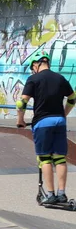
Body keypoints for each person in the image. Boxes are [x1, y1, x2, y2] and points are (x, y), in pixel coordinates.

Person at [17, 51, 76, 204]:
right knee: (59, 157)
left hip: (42, 122)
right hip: (59, 121)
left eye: (32, 67)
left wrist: (20, 120)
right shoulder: (60, 78)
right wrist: (63, 114)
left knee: (45, 158)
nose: (32, 70)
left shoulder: (33, 79)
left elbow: (21, 103)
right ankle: (62, 193)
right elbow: (72, 98)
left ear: (36, 64)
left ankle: (50, 195)